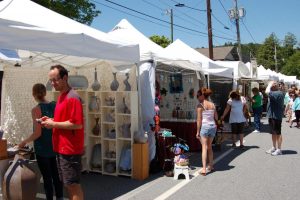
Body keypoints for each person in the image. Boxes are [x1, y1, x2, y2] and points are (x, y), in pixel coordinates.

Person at [41, 65, 84, 200]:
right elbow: (64, 119)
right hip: (62, 148)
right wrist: (51, 120)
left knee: (73, 185)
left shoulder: (72, 97)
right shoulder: (61, 96)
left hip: (70, 150)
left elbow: (77, 124)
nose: (52, 83)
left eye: (55, 80)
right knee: (68, 185)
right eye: (51, 81)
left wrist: (53, 124)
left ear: (65, 78)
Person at [18, 83, 63, 200]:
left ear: (33, 94)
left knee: (47, 178)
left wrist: (24, 142)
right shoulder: (55, 105)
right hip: (55, 146)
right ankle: (60, 198)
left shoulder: (36, 109)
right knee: (57, 177)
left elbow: (37, 133)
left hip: (42, 149)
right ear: (45, 93)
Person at [195, 88, 218, 176]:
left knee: (204, 147)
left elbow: (199, 120)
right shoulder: (212, 104)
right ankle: (211, 166)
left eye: (198, 96)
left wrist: (197, 131)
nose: (197, 97)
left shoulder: (200, 106)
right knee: (210, 147)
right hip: (213, 127)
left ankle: (204, 169)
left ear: (202, 96)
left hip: (205, 127)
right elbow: (216, 117)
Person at [265, 81, 285, 156]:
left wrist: (270, 84)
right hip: (272, 115)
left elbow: (267, 91)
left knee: (278, 132)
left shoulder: (278, 93)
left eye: (272, 85)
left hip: (276, 116)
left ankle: (279, 149)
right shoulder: (274, 93)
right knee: (273, 132)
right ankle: (274, 147)